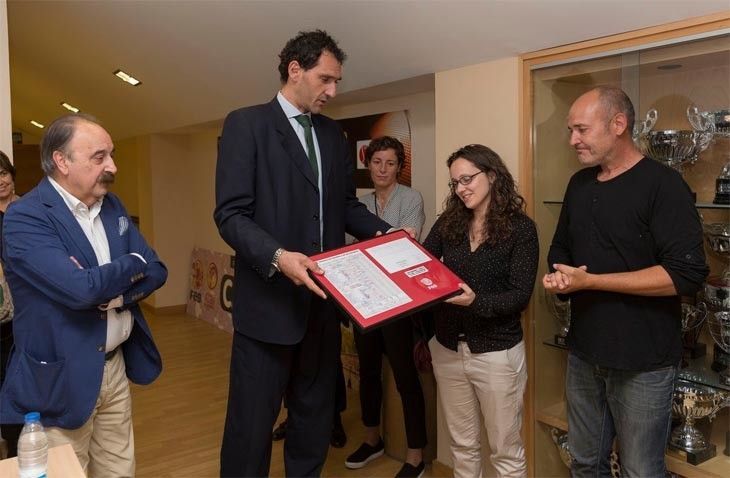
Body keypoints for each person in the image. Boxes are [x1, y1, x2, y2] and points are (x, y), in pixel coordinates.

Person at [214, 29, 392, 477]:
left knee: (312, 424)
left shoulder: (333, 135)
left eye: (336, 82)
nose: (332, 91)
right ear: (295, 69)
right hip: (268, 311)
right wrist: (279, 256)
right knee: (250, 430)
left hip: (321, 310)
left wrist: (392, 236)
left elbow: (346, 207)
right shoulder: (246, 124)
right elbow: (231, 215)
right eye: (325, 79)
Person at [543, 86, 708, 477]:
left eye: (581, 129)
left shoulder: (663, 185)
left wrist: (593, 282)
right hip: (584, 354)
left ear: (618, 124)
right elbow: (560, 247)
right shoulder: (579, 185)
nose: (573, 140)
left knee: (640, 471)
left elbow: (685, 274)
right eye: (570, 130)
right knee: (585, 462)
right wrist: (562, 275)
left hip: (644, 363)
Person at [0, 114, 168, 476]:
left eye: (111, 155)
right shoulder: (25, 218)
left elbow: (157, 270)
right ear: (62, 161)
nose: (112, 166)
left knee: (119, 471)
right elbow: (81, 290)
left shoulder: (112, 206)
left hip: (114, 370)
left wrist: (116, 294)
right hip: (60, 378)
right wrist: (131, 262)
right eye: (99, 157)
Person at [423, 144, 538, 478]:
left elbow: (519, 296)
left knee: (506, 453)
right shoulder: (449, 222)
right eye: (455, 183)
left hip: (497, 354)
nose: (461, 189)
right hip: (447, 349)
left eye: (467, 179)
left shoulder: (521, 229)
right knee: (463, 448)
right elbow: (421, 264)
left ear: (491, 175)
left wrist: (476, 301)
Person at [344, 136, 427, 477]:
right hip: (365, 302)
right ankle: (372, 438)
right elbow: (350, 252)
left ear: (399, 167)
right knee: (368, 372)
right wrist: (384, 243)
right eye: (377, 162)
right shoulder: (357, 204)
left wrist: (377, 245)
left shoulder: (412, 198)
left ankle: (415, 456)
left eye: (390, 163)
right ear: (368, 164)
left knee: (406, 377)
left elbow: (405, 247)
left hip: (399, 304)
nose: (383, 169)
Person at [0, 149, 21, 458]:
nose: (1, 180)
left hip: (25, 314)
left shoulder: (30, 209)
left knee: (19, 387)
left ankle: (19, 451)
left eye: (3, 173)